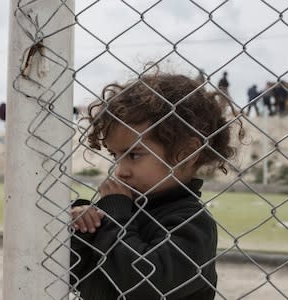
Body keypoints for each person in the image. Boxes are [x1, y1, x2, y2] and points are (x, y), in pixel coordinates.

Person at [70, 72, 244, 299]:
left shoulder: (192, 224)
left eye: (134, 155)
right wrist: (83, 225)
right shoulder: (123, 208)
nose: (120, 170)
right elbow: (78, 276)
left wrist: (115, 217)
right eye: (115, 155)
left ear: (185, 153)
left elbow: (145, 285)